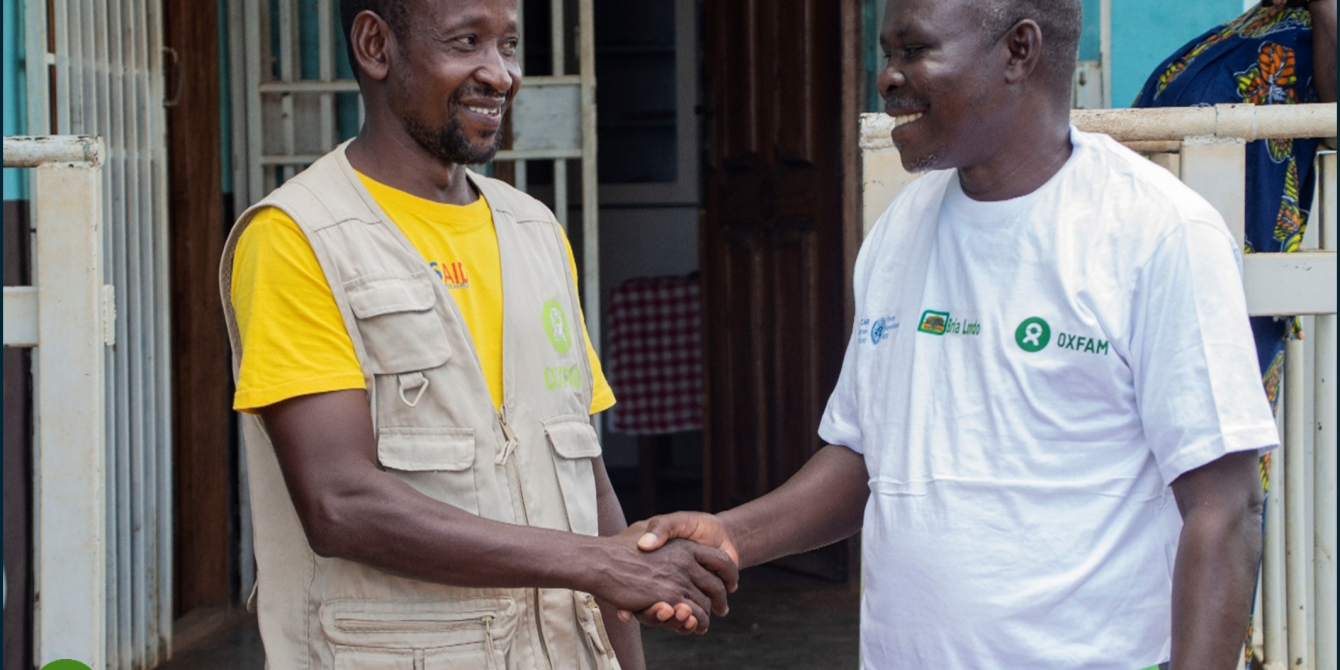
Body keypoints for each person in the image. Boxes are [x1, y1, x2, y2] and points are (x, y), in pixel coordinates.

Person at [631, 0, 1279, 667]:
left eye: (915, 51)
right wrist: (732, 537)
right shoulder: (901, 227)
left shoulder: (1157, 234)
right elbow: (868, 456)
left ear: (1018, 51)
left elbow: (1225, 511)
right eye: (888, 54)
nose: (887, 77)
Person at [218, 1, 736, 668]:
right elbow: (339, 503)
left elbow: (589, 487)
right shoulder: (298, 238)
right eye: (466, 42)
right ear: (376, 46)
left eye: (509, 45)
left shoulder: (535, 231)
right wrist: (599, 563)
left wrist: (622, 614)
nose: (500, 74)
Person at [1132, 2, 1335, 665]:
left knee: (1216, 499)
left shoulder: (1282, 40)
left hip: (1230, 293)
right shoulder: (1246, 49)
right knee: (1196, 499)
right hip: (1190, 290)